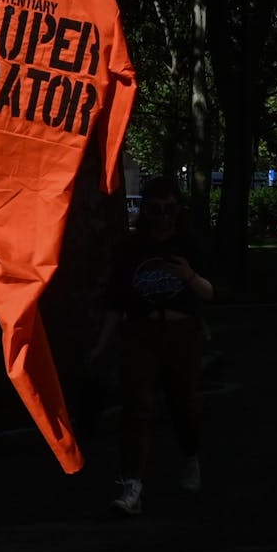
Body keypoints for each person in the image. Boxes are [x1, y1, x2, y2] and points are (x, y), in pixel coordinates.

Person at [89, 177, 214, 515]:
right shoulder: (130, 248)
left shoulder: (189, 244)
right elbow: (116, 301)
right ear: (145, 210)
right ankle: (132, 485)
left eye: (169, 209)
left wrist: (188, 275)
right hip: (140, 333)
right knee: (136, 406)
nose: (162, 216)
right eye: (155, 209)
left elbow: (209, 293)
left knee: (182, 402)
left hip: (182, 333)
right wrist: (102, 345)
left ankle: (190, 458)